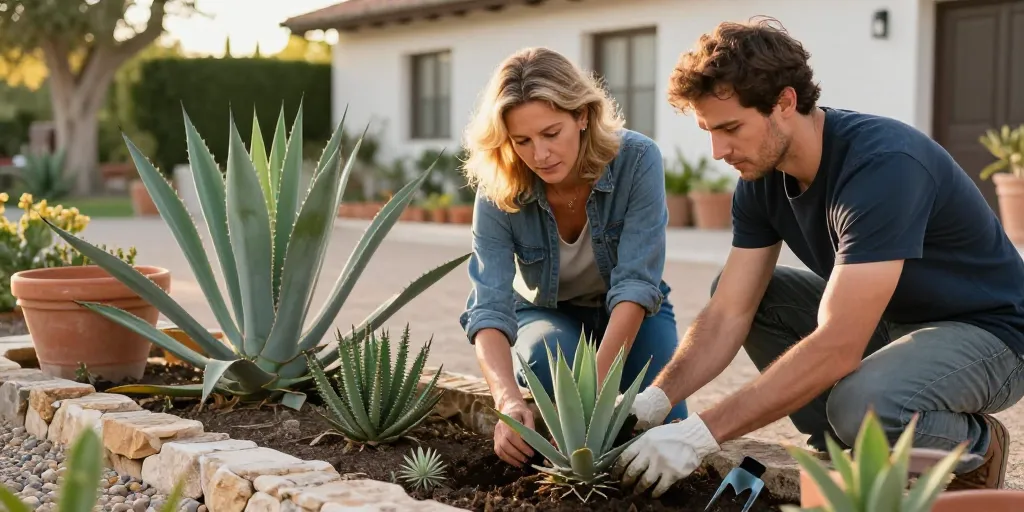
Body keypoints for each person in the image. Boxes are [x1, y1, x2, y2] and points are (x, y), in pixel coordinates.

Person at [613, 17, 1024, 498]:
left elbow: (838, 345)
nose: (718, 151)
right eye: (708, 131)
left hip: (990, 334)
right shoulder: (760, 179)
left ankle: (978, 445)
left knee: (864, 404)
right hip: (890, 323)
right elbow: (729, 312)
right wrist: (655, 400)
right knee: (750, 294)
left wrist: (699, 434)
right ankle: (841, 450)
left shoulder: (883, 166)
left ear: (785, 103)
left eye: (730, 128)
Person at [458, 46, 689, 468]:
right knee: (551, 359)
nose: (540, 155)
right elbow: (488, 306)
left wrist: (591, 399)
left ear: (582, 115)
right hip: (546, 313)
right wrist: (507, 400)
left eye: (551, 133)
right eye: (522, 141)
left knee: (664, 421)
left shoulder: (637, 160)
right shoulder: (499, 184)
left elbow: (636, 284)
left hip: (634, 312)